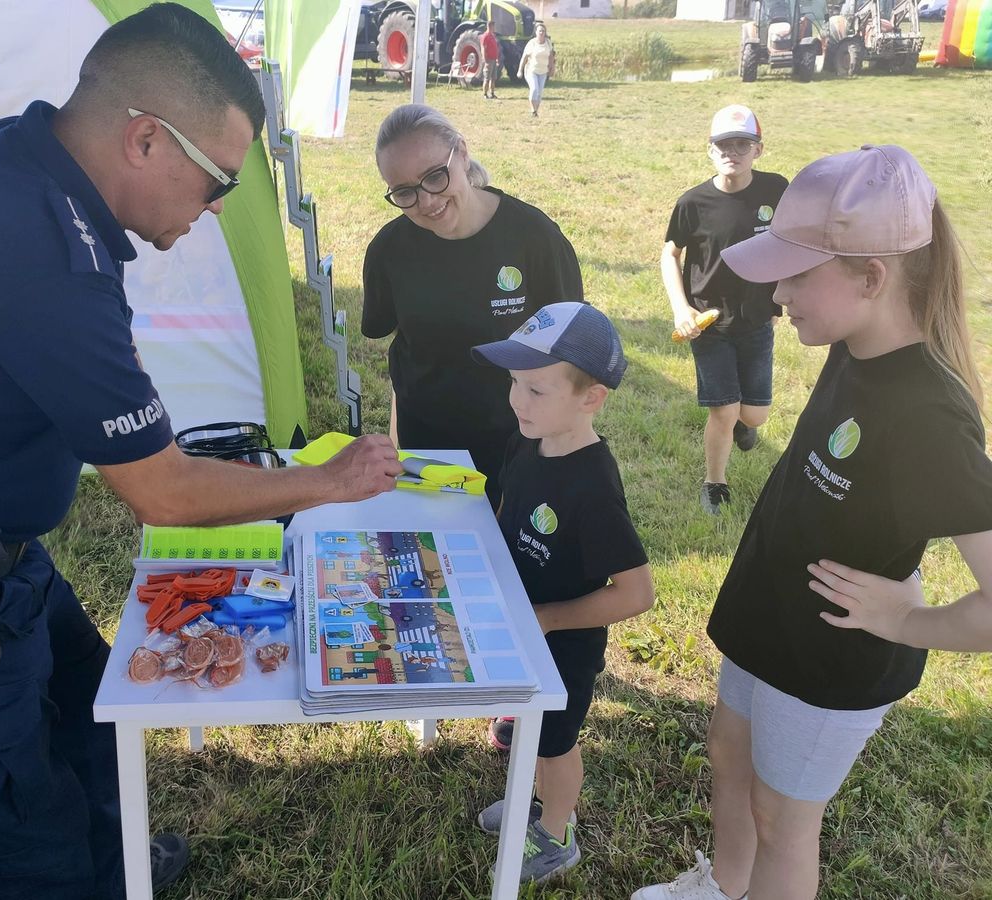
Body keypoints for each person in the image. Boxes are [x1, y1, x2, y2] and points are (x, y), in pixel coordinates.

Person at [0, 6, 401, 899]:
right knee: (17, 851)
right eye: (217, 179)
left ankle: (116, 870)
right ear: (146, 139)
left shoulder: (23, 163)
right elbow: (160, 490)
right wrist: (324, 481)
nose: (222, 205)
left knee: (91, 724)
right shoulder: (38, 248)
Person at [633, 146, 992, 900]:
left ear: (871, 277)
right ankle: (724, 887)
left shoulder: (930, 414)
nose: (776, 296)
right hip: (772, 613)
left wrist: (905, 622)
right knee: (730, 753)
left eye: (797, 276)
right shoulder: (854, 341)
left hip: (834, 656)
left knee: (781, 819)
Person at [470, 302, 655, 884]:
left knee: (555, 742)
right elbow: (507, 510)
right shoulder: (526, 441)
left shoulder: (593, 487)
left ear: (590, 398)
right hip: (521, 627)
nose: (517, 401)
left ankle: (557, 832)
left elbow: (636, 593)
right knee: (527, 729)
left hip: (563, 645)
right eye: (514, 384)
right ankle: (533, 806)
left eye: (537, 390)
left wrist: (550, 617)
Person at [362, 103, 582, 508]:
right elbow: (399, 349)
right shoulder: (389, 250)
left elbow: (569, 352)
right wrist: (398, 445)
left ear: (461, 153)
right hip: (426, 444)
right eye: (405, 192)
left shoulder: (534, 239)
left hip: (515, 437)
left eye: (435, 176)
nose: (426, 202)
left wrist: (559, 446)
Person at [661, 105, 788, 516]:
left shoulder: (775, 191)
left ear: (758, 150)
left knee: (756, 415)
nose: (732, 152)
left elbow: (791, 243)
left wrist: (781, 298)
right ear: (710, 151)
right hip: (708, 322)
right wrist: (681, 308)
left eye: (742, 144)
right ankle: (715, 485)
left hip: (756, 320)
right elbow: (670, 254)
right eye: (723, 145)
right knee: (724, 409)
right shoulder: (693, 203)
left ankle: (743, 426)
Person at [517, 23, 557, 118]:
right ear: (536, 32)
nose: (542, 33)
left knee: (539, 93)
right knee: (534, 89)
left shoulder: (548, 43)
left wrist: (551, 68)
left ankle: (536, 111)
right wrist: (520, 70)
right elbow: (524, 57)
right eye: (540, 31)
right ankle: (533, 110)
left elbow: (551, 56)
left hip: (543, 71)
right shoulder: (532, 43)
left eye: (543, 31)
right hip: (531, 70)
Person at [479, 23, 501, 99]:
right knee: (487, 78)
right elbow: (483, 48)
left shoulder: (492, 36)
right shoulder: (485, 36)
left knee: (493, 78)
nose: (494, 28)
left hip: (494, 59)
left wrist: (497, 58)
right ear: (489, 26)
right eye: (493, 26)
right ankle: (485, 94)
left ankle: (492, 93)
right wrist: (485, 60)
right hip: (488, 60)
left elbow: (495, 48)